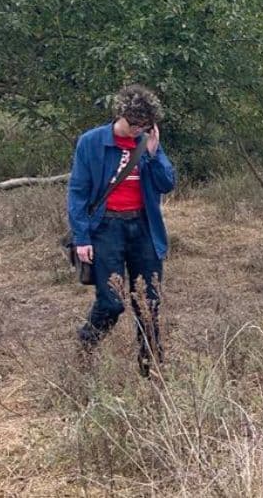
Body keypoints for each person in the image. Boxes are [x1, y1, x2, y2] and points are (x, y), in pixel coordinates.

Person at [68, 85, 175, 366]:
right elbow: (78, 192)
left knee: (149, 301)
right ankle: (86, 347)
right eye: (133, 124)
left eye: (144, 125)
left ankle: (150, 363)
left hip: (143, 226)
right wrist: (82, 237)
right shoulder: (91, 142)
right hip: (106, 227)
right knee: (111, 302)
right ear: (120, 114)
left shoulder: (148, 142)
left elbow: (167, 183)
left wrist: (152, 154)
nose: (137, 130)